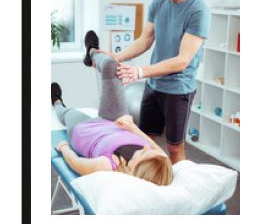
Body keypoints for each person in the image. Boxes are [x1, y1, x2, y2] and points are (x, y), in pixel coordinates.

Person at [95, 0, 211, 163]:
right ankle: (150, 187)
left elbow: (182, 60)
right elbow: (145, 39)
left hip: (178, 89)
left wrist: (139, 72)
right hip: (153, 85)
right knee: (144, 141)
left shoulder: (198, 11)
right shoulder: (159, 2)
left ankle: (180, 193)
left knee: (174, 148)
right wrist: (117, 56)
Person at [52, 36, 173, 186]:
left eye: (143, 152)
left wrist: (64, 148)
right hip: (116, 123)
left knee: (67, 113)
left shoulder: (108, 166)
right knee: (111, 66)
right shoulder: (159, 160)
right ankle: (92, 53)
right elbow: (155, 148)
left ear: (133, 170)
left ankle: (57, 102)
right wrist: (133, 128)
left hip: (86, 132)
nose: (147, 147)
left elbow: (76, 163)